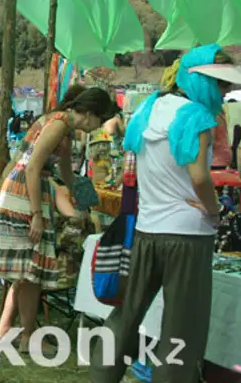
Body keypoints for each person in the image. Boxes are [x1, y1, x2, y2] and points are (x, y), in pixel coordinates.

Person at [91, 45, 240, 383]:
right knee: (182, 326)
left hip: (147, 230)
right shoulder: (198, 117)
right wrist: (213, 211)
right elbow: (200, 177)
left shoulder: (148, 108)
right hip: (188, 235)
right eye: (219, 85)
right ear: (199, 79)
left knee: (127, 314)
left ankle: (103, 375)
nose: (224, 92)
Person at [0, 87, 118, 354]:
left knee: (26, 272)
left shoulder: (62, 126)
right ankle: (27, 336)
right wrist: (36, 215)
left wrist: (81, 195)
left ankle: (13, 333)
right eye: (100, 120)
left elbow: (66, 170)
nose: (98, 127)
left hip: (26, 193)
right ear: (90, 114)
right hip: (23, 196)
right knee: (29, 272)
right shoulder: (59, 125)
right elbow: (33, 167)